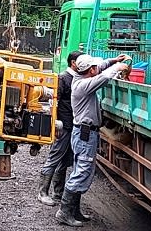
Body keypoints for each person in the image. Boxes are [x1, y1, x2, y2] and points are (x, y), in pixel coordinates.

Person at [56, 53, 129, 227]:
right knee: (82, 171)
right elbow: (103, 77)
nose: (97, 68)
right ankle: (64, 212)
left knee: (83, 170)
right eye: (94, 67)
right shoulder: (82, 85)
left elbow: (101, 68)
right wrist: (117, 68)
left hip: (84, 133)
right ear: (90, 70)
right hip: (84, 134)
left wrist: (113, 61)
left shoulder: (83, 77)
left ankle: (74, 211)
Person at [36, 50, 83, 206]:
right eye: (80, 61)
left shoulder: (76, 78)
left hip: (72, 125)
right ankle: (42, 192)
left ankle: (58, 193)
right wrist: (55, 123)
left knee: (65, 161)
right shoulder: (63, 78)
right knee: (54, 158)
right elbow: (54, 102)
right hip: (64, 126)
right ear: (73, 63)